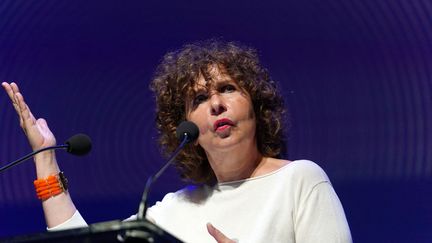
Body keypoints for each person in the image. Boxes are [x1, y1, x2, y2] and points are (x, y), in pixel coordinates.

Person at [2, 40, 352, 243]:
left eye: (228, 88)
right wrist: (44, 156)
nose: (216, 103)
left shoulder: (300, 181)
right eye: (199, 99)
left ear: (257, 107)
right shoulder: (173, 209)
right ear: (187, 127)